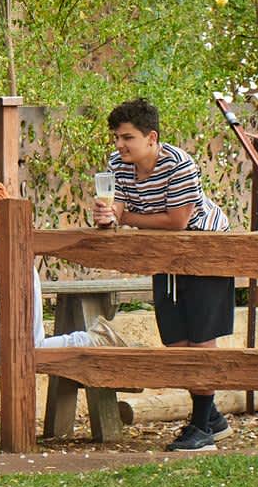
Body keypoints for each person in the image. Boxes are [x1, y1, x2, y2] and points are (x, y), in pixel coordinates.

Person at [92, 97, 234, 452]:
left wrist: (124, 219)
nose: (119, 145)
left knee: (201, 340)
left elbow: (177, 221)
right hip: (163, 254)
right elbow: (118, 206)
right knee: (176, 342)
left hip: (204, 249)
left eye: (127, 137)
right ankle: (212, 417)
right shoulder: (117, 165)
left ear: (151, 138)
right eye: (116, 137)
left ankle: (201, 428)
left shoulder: (179, 165)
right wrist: (107, 216)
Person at [0, 133, 121, 351]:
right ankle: (89, 339)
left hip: (14, 273)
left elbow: (3, 228)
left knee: (29, 346)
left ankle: (89, 339)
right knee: (1, 350)